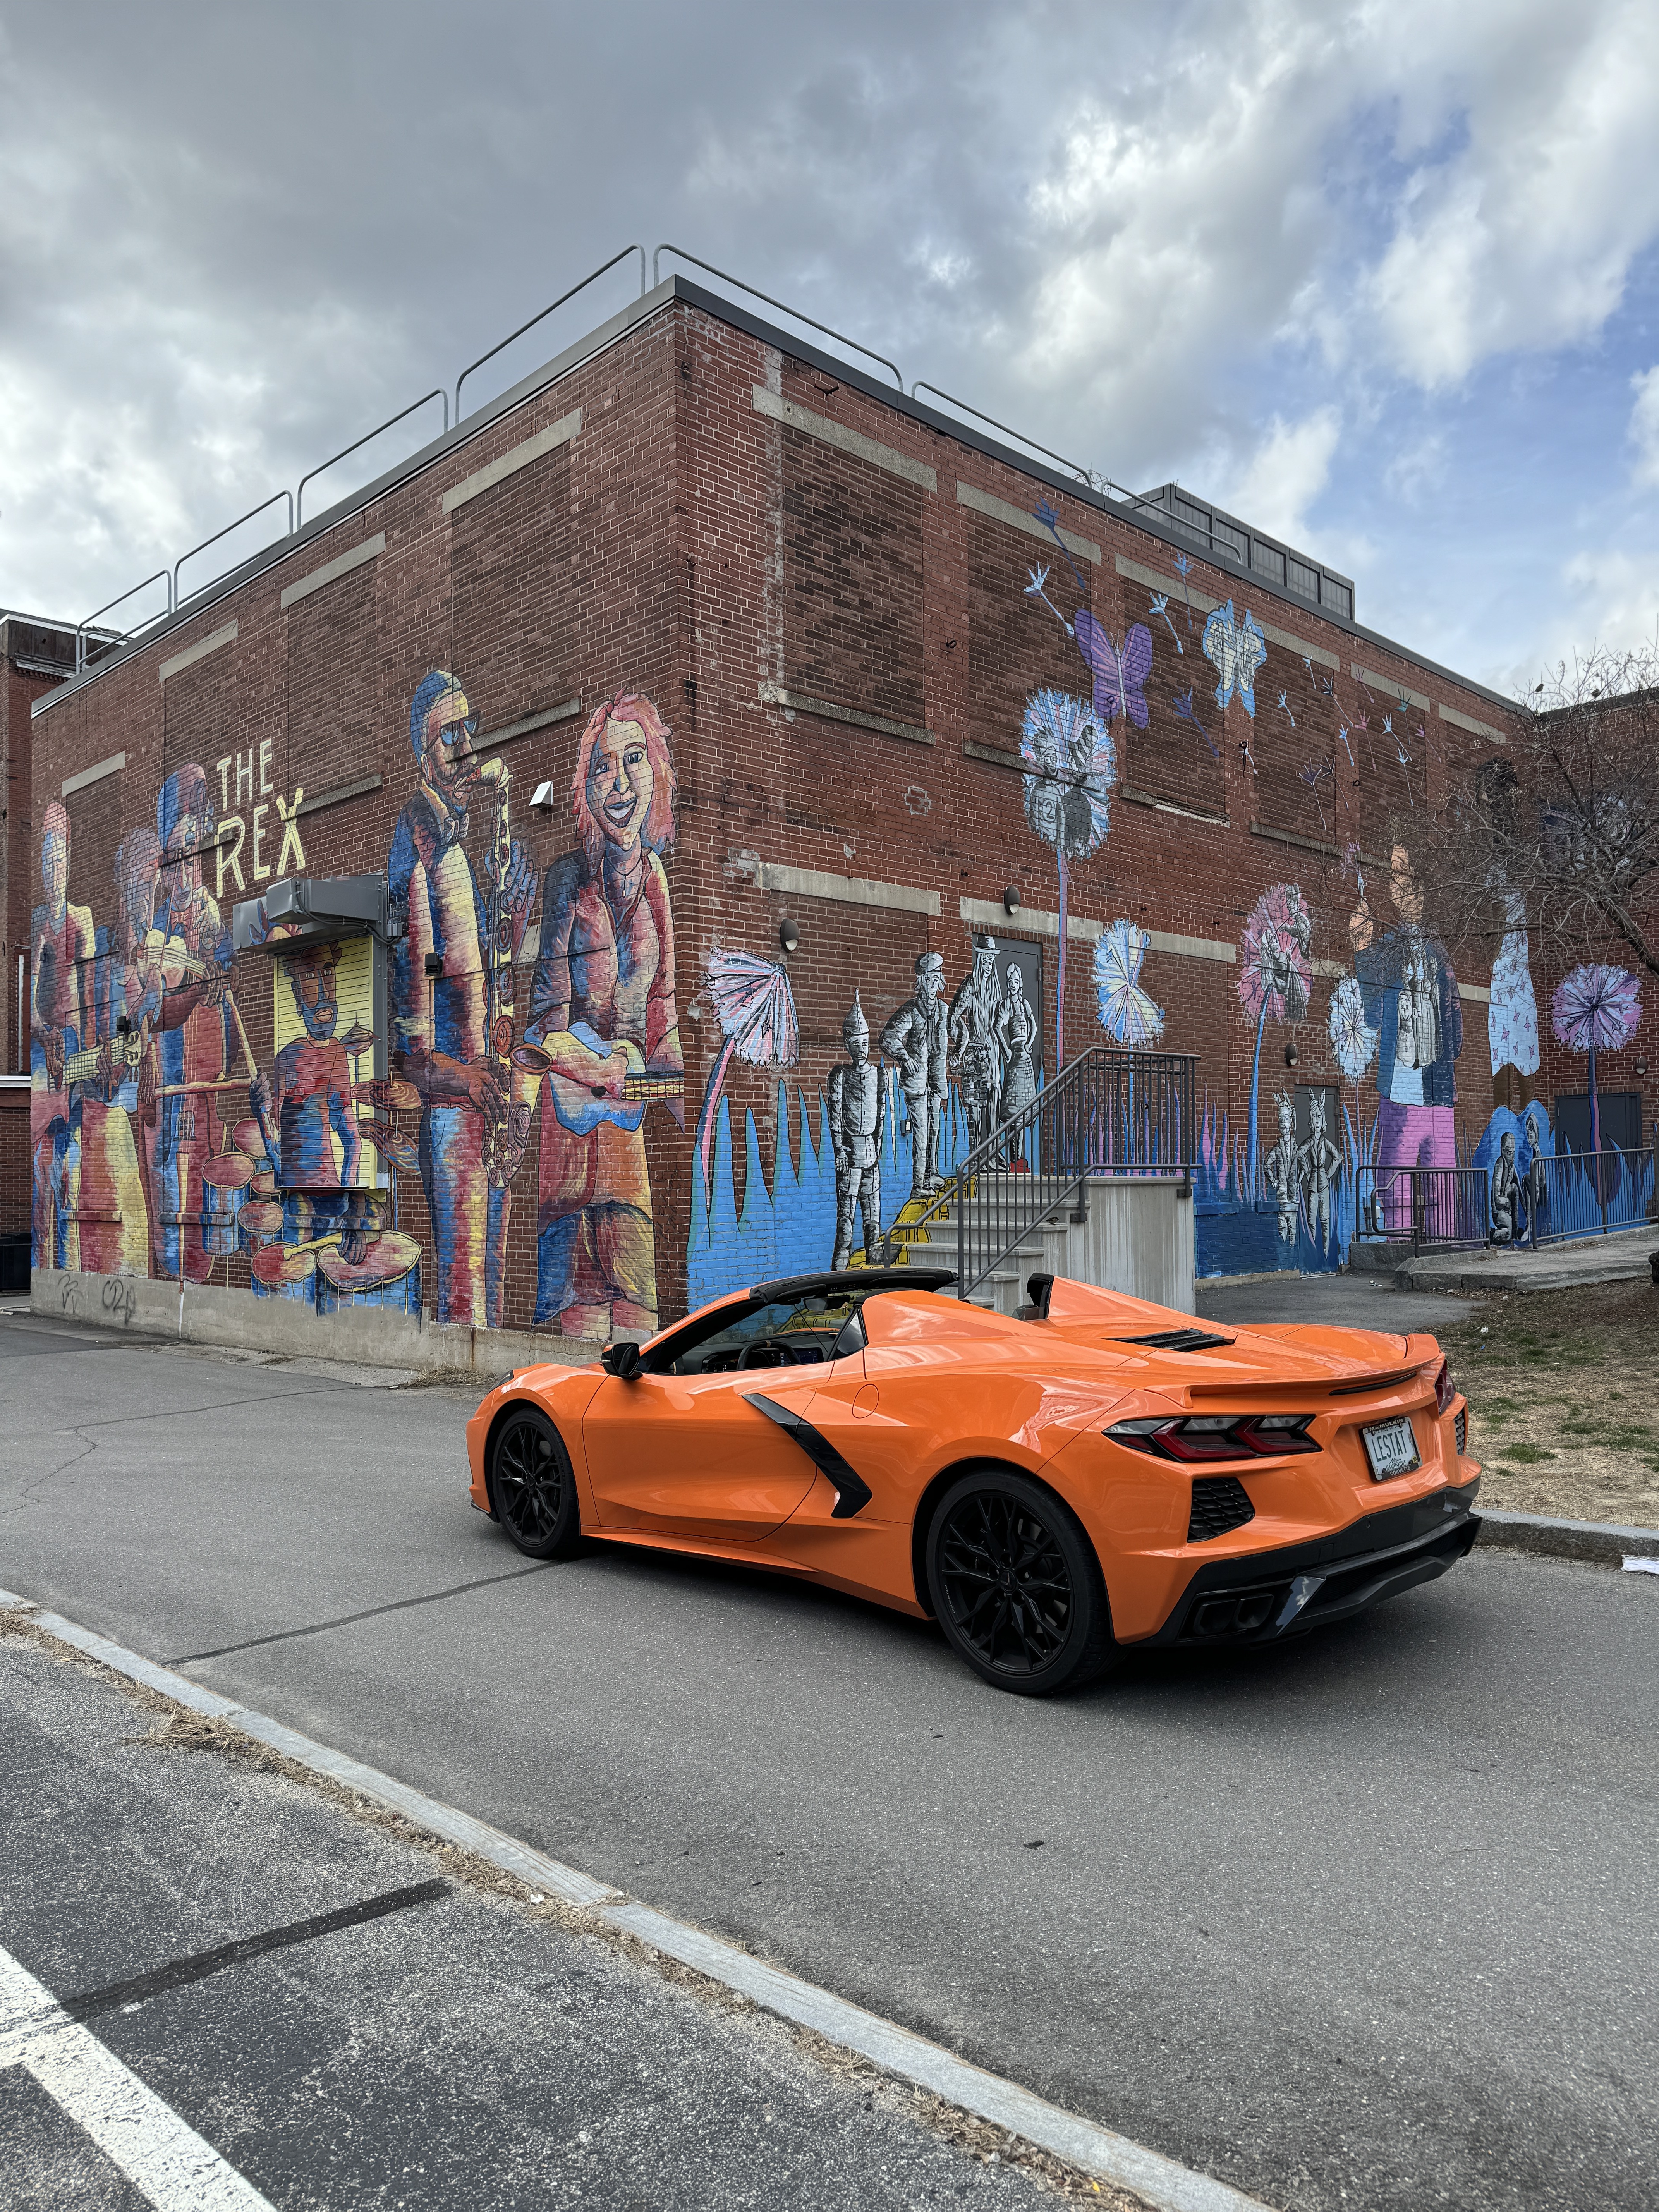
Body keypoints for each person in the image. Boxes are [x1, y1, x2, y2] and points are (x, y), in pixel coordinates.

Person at [525, 691, 684, 1339]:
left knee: (638, 1317)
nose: (618, 783)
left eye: (634, 759)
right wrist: (598, 1063)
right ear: (584, 786)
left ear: (657, 773)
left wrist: (656, 1076)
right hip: (569, 1134)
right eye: (601, 766)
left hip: (626, 1143)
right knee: (582, 1317)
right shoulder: (567, 878)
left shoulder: (656, 883)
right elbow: (542, 1023)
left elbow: (663, 1015)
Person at [388, 670, 534, 1327]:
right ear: (423, 750)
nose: (468, 745)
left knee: (493, 1295)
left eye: (471, 729)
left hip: (486, 1103)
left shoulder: (459, 858)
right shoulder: (424, 860)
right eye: (451, 733)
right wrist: (475, 1080)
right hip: (453, 1117)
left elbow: (482, 986)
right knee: (464, 1297)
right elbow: (412, 1055)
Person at [147, 766, 240, 1284]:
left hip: (198, 1069)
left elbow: (219, 994)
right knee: (167, 1157)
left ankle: (199, 1265)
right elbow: (152, 997)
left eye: (194, 855)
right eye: (176, 858)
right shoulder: (162, 920)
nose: (186, 869)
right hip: (168, 1070)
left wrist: (191, 1088)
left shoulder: (208, 913)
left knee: (201, 1151)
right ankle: (170, 1259)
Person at [1352, 842, 1462, 1236]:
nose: (1405, 888)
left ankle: (1444, 1247)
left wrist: (1444, 1055)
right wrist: (1362, 948)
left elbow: (1454, 1024)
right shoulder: (1387, 950)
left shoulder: (1439, 952)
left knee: (1443, 1185)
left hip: (1439, 1090)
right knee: (1395, 1184)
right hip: (1401, 1088)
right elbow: (1369, 1013)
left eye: (1410, 877)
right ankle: (1396, 1247)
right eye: (1397, 877)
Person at [250, 941, 374, 1267]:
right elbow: (274, 1146)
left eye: (328, 973)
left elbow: (353, 1142)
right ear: (294, 992)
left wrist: (353, 1210)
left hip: (333, 1203)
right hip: (296, 1204)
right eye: (308, 977)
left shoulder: (336, 1054)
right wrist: (261, 1111)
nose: (323, 991)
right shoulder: (286, 1061)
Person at [29, 801, 94, 1269]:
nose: (56, 871)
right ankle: (45, 1259)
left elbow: (91, 992)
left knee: (69, 1160)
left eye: (62, 860)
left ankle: (66, 1257)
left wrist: (90, 1045)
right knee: (42, 1162)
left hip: (73, 1046)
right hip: (46, 1050)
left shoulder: (83, 917)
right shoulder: (37, 924)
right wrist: (40, 1030)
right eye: (49, 861)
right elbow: (31, 994)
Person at [880, 952, 949, 1202]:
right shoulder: (911, 1011)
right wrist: (906, 1059)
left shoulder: (943, 1010)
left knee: (934, 1129)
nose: (932, 985)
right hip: (917, 1082)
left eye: (936, 979)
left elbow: (952, 1036)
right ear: (921, 981)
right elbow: (888, 1038)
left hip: (935, 1081)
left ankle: (931, 1173)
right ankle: (919, 1183)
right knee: (920, 1132)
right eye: (928, 979)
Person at [828, 992, 883, 1269]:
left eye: (865, 1042)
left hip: (871, 1152)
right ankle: (840, 1267)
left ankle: (875, 1266)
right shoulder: (840, 1076)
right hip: (849, 1153)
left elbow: (882, 1114)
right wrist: (839, 1149)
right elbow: (835, 1115)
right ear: (848, 1045)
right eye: (856, 1043)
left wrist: (879, 1146)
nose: (861, 1048)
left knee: (873, 1219)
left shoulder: (878, 1075)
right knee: (846, 1220)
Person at [949, 936, 1004, 1154]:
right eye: (986, 960)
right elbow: (953, 1018)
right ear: (979, 958)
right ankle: (975, 1153)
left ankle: (993, 1151)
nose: (989, 965)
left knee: (994, 1096)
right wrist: (962, 1044)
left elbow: (1000, 1019)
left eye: (992, 961)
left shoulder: (994, 988)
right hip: (975, 1054)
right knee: (975, 1107)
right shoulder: (970, 987)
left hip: (993, 1053)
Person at [995, 962, 1039, 1130]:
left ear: (1020, 983)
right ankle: (1015, 1155)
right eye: (1010, 981)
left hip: (1026, 1058)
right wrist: (1006, 1049)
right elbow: (997, 1027)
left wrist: (1030, 1042)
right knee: (1013, 1105)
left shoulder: (1024, 1004)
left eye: (1016, 981)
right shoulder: (1007, 1005)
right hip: (1015, 1058)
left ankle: (1021, 1155)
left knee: (1026, 1101)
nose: (1013, 984)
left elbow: (1034, 1026)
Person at [1298, 1091, 1342, 1251]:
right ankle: (1314, 1252)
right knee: (1312, 1220)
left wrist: (1328, 1174)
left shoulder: (1325, 1142)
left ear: (1323, 1119)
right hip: (1312, 1185)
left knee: (1325, 1219)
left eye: (1319, 1117)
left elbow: (1337, 1157)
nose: (1317, 1121)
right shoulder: (1309, 1142)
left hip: (1324, 1184)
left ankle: (1326, 1252)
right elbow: (1299, 1153)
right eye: (1314, 1116)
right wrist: (1308, 1171)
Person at [1263, 1092, 1298, 1243]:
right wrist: (1273, 1180)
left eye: (1286, 1119)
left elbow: (1304, 1167)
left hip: (1294, 1196)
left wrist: (1299, 1181)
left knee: (1293, 1231)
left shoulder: (1297, 1147)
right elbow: (1267, 1165)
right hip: (1282, 1197)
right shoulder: (1278, 1149)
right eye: (1280, 1120)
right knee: (1283, 1228)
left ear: (1291, 1121)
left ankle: (1291, 1254)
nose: (1283, 1123)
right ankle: (1287, 1255)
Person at [1489, 1129, 1519, 1245]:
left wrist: (1528, 1215)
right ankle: (1491, 1235)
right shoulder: (1500, 1164)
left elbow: (1519, 1190)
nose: (1512, 1155)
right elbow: (1496, 1197)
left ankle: (1516, 1231)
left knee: (1514, 1188)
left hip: (1507, 1209)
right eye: (1509, 1152)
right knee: (1507, 1235)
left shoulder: (1511, 1165)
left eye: (1514, 1152)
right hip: (1500, 1209)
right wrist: (1507, 1203)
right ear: (1503, 1151)